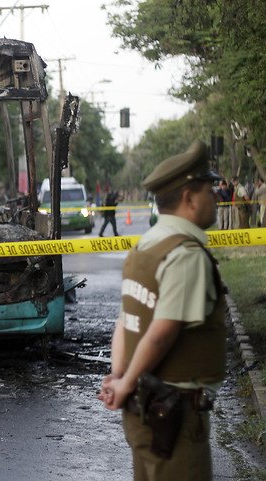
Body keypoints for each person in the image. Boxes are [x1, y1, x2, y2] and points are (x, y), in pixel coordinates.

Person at [98, 140, 227, 480]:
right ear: (189, 198)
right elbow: (160, 333)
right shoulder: (185, 255)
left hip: (145, 410)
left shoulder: (145, 246)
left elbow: (126, 321)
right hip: (174, 415)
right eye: (209, 190)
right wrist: (124, 383)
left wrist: (120, 375)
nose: (215, 197)